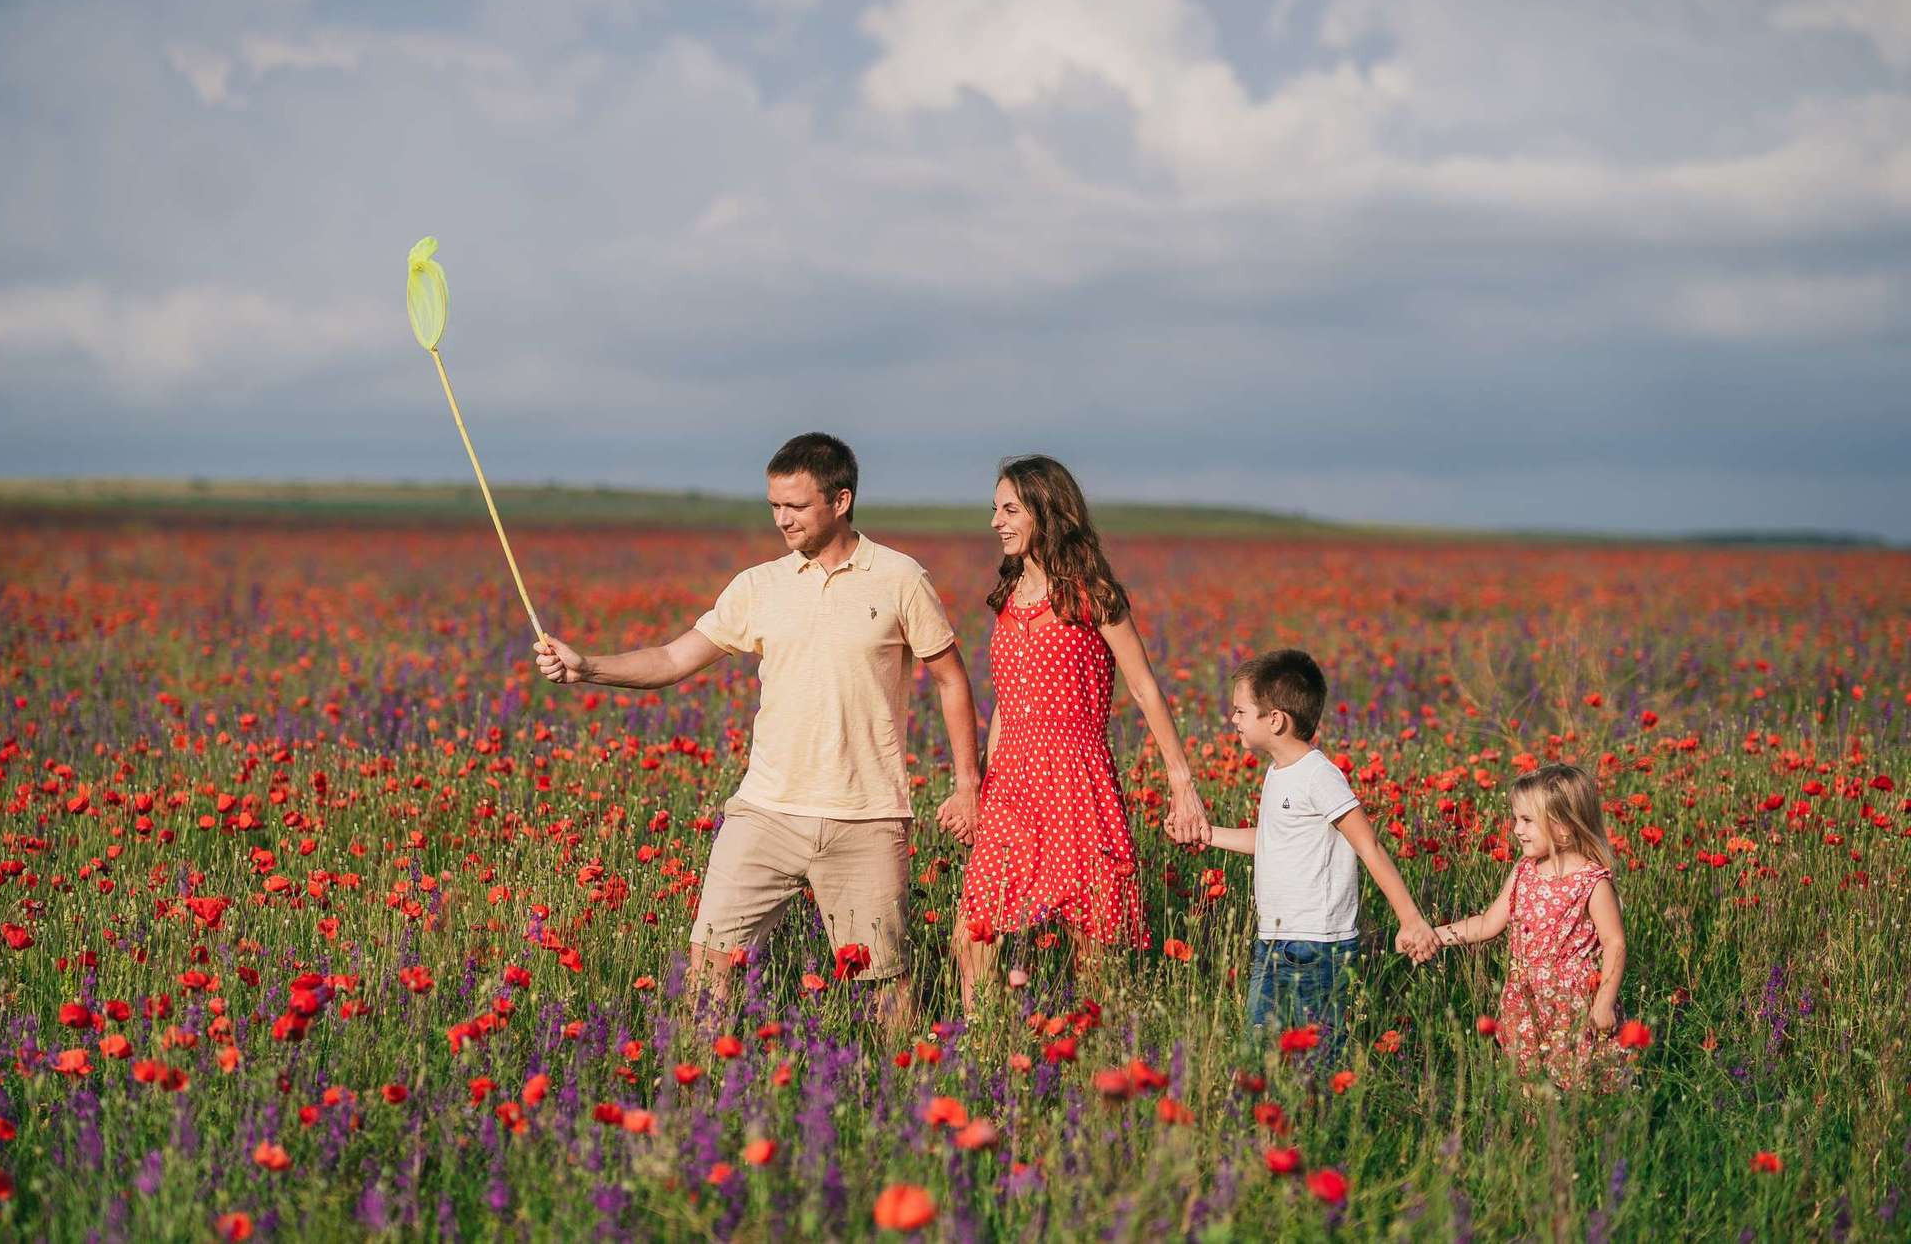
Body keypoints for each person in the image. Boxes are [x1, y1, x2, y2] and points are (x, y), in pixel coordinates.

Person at [533, 433, 981, 1035]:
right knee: (710, 958)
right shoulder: (758, 585)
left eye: (795, 506)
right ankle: (697, 1088)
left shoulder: (899, 578)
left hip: (867, 815)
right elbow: (672, 660)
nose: (781, 520)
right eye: (774, 505)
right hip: (765, 811)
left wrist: (967, 783)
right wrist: (589, 667)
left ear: (841, 500)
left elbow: (952, 681)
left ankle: (904, 1095)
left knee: (884, 982)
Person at [950, 455, 1210, 1017]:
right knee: (974, 932)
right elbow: (1005, 703)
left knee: (1090, 940)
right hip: (1010, 786)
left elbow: (1143, 688)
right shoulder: (1007, 598)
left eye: (1010, 509)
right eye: (994, 508)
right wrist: (981, 789)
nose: (996, 521)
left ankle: (1091, 1051)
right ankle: (980, 1041)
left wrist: (1181, 781)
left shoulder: (1092, 594)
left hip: (1076, 781)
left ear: (1047, 512)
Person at [1200, 649, 1439, 1054]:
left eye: (1240, 711)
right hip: (1273, 940)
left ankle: (1321, 1114)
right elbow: (1272, 840)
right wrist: (1206, 834)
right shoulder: (1278, 773)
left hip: (1318, 946)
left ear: (1274, 720)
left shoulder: (1319, 775)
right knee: (1259, 1052)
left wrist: (1410, 920)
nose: (1233, 720)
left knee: (1318, 1057)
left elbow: (1369, 845)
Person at [1430, 763, 1628, 1090]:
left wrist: (1604, 1000)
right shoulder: (1525, 870)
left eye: (1527, 821)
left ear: (1564, 827)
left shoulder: (1592, 881)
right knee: (1529, 1080)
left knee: (1578, 1083)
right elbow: (1489, 923)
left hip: (1573, 1003)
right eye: (1516, 819)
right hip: (1525, 998)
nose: (1517, 830)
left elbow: (1614, 943)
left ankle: (1580, 1137)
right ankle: (1531, 1134)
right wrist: (1435, 936)